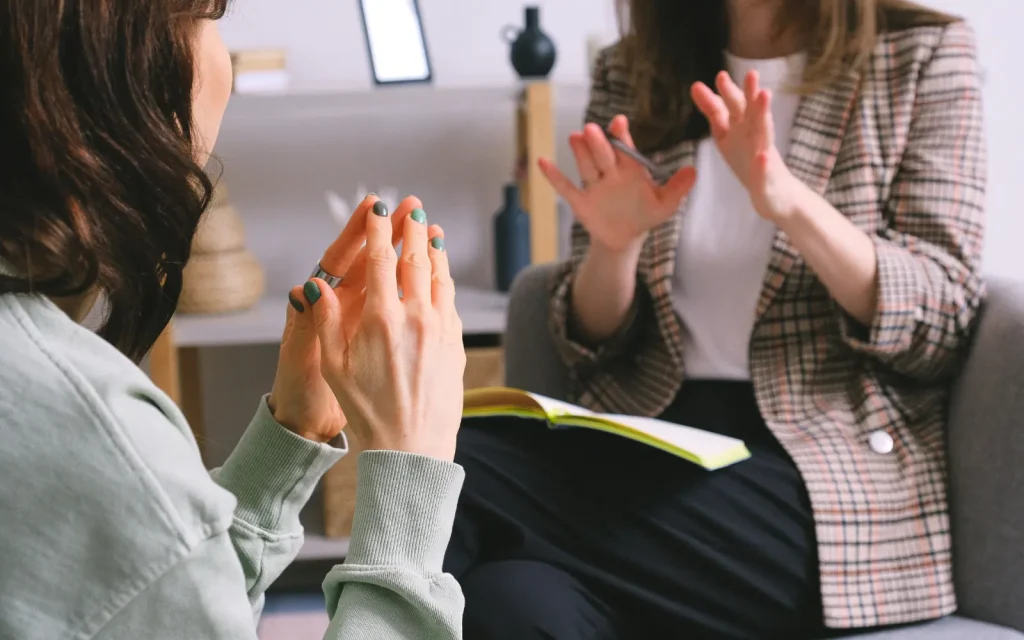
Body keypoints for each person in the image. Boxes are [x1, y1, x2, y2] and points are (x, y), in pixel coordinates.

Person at [444, 0, 986, 638]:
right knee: (508, 603)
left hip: (821, 483)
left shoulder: (920, 54)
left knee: (452, 467)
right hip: (645, 448)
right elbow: (588, 342)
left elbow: (944, 318)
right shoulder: (636, 68)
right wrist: (616, 246)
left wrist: (789, 204)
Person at [0, 1, 466, 638]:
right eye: (210, 17)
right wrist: (412, 470)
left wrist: (291, 436)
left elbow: (147, 603)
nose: (227, 63)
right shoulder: (97, 433)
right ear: (114, 58)